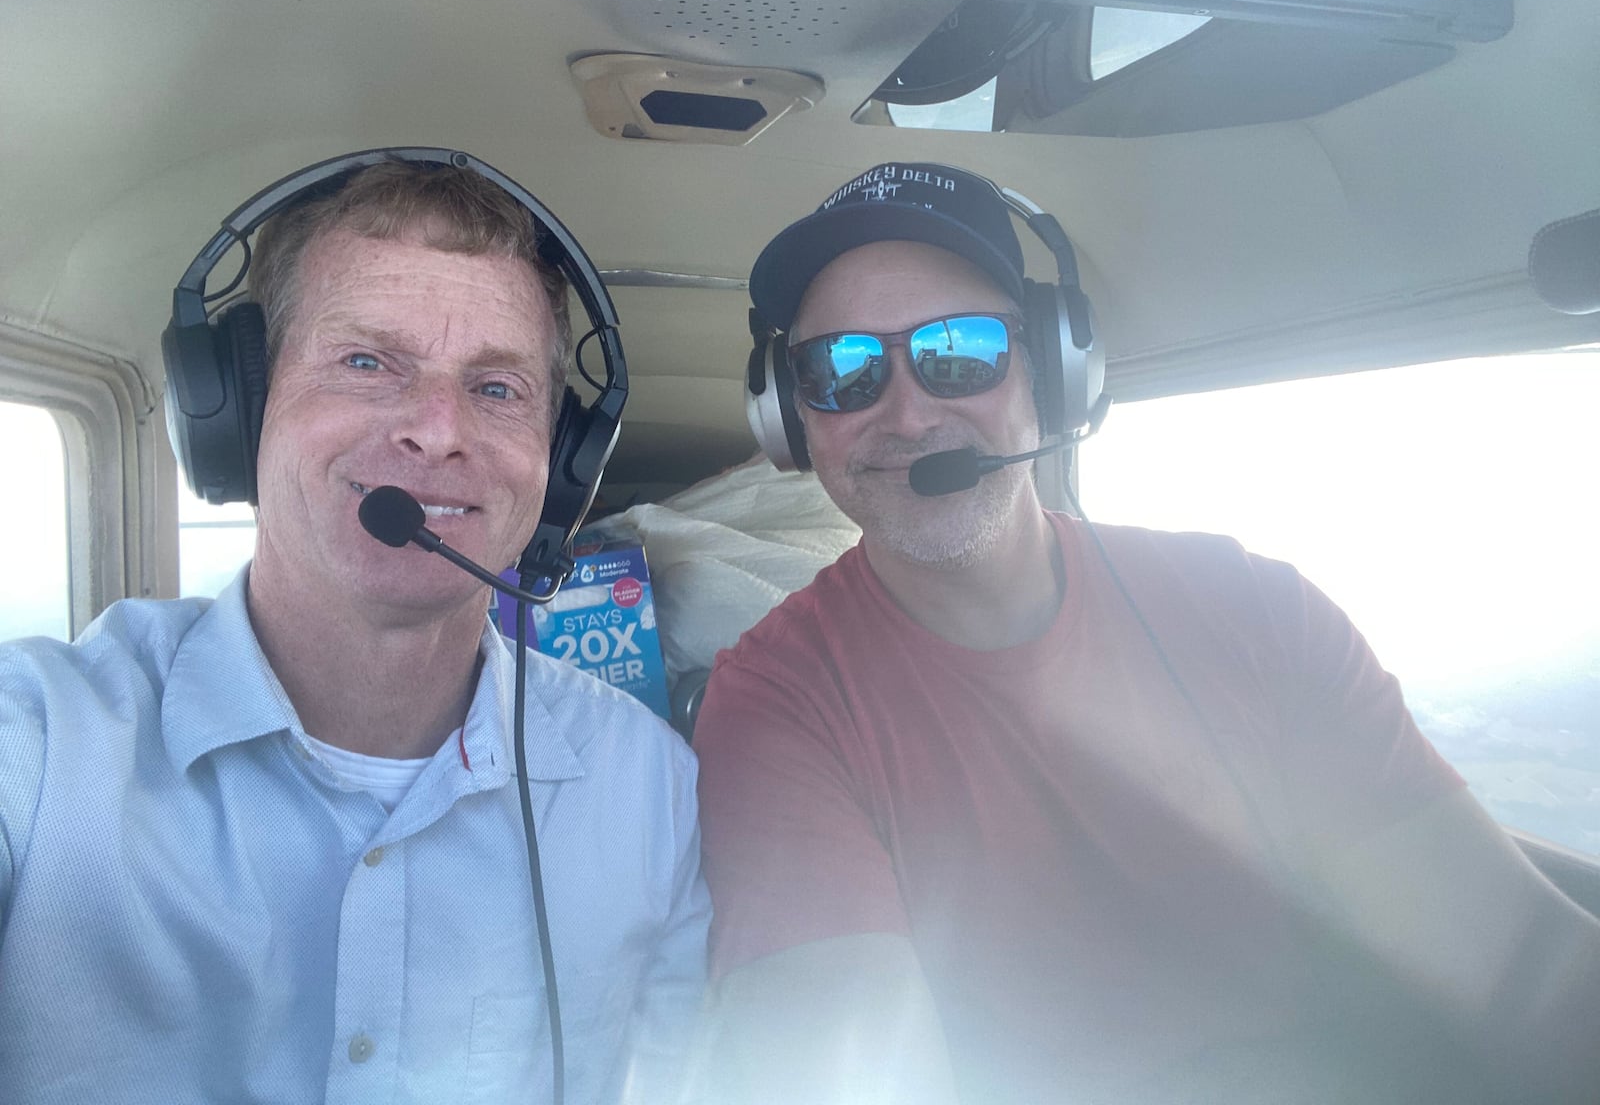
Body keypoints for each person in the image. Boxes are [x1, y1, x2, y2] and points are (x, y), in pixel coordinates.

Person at [692, 161, 1600, 1104]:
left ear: (1051, 369)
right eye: (841, 370)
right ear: (792, 418)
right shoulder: (775, 704)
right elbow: (849, 1066)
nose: (908, 411)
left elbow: (1525, 968)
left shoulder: (1257, 610)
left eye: (959, 351)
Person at [0, 156, 710, 1104]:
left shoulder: (647, 788)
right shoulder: (41, 746)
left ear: (563, 467)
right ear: (235, 413)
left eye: (496, 388)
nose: (435, 430)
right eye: (368, 362)